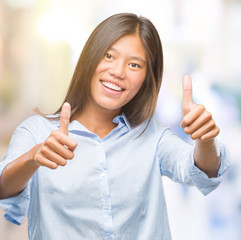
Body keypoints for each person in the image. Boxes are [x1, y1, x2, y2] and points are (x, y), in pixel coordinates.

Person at [0, 13, 229, 239]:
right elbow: (3, 188)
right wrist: (33, 157)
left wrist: (205, 139)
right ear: (89, 59)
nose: (118, 72)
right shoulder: (36, 131)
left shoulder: (151, 136)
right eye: (109, 56)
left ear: (146, 78)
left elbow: (202, 171)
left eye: (134, 64)